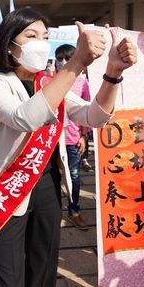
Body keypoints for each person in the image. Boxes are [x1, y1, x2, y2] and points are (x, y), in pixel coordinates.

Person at [0, 8, 137, 287]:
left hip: (46, 181)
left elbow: (93, 116)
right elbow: (25, 118)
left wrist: (112, 74)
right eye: (31, 36)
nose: (41, 44)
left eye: (45, 37)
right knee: (7, 279)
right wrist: (77, 64)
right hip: (8, 188)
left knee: (45, 254)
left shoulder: (51, 81)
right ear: (8, 45)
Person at [55, 44, 91, 231]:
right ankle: (51, 212)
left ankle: (74, 211)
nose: (62, 61)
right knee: (51, 177)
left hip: (72, 138)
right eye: (58, 57)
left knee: (74, 176)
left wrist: (84, 135)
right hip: (51, 139)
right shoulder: (47, 81)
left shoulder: (82, 83)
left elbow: (87, 110)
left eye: (66, 57)